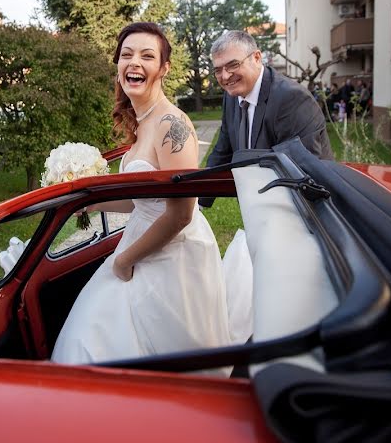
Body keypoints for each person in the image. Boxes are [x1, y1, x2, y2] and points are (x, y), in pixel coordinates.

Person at [51, 22, 237, 365]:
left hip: (171, 254)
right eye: (126, 55)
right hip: (143, 238)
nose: (134, 62)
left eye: (147, 56)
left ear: (163, 68)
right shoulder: (143, 123)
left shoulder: (172, 125)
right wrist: (88, 202)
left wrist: (124, 260)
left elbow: (181, 213)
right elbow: (143, 199)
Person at [204, 31, 334, 174]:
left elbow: (298, 171)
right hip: (255, 191)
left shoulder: (292, 99)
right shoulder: (231, 96)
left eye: (233, 65)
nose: (225, 76)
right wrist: (198, 195)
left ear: (257, 58)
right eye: (217, 70)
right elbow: (222, 154)